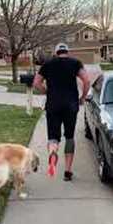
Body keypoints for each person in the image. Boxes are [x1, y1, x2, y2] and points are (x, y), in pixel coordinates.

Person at [33, 43, 90, 181]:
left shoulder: (48, 64)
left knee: (53, 137)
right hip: (71, 105)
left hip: (53, 104)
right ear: (67, 52)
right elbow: (86, 80)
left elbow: (36, 83)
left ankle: (53, 155)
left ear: (56, 52)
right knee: (69, 137)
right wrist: (82, 97)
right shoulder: (75, 63)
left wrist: (47, 91)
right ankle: (68, 171)